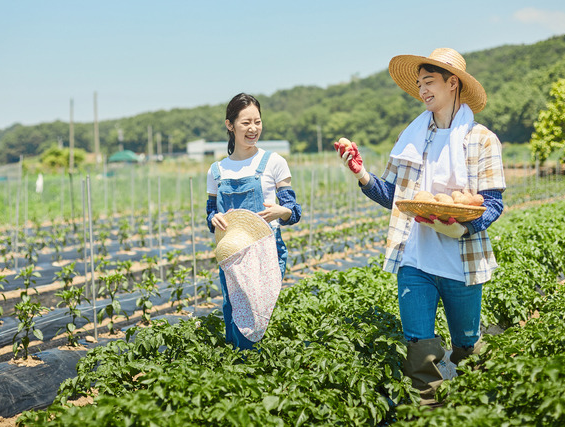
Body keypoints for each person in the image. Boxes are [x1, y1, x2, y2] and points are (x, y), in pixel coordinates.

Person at [334, 48, 506, 405]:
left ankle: (469, 408)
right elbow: (396, 196)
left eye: (429, 82)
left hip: (461, 259)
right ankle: (428, 410)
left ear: (452, 83)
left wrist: (460, 227)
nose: (422, 90)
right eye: (419, 84)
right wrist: (361, 174)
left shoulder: (482, 139)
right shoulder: (414, 137)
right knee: (419, 346)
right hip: (414, 257)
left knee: (466, 346)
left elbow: (492, 204)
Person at [206, 93, 302, 350]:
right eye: (246, 123)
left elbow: (294, 211)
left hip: (266, 250)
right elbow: (210, 213)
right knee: (234, 312)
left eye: (257, 122)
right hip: (232, 252)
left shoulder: (274, 163)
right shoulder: (217, 170)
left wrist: (280, 211)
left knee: (260, 314)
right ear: (230, 125)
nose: (253, 129)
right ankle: (239, 370)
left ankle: (261, 368)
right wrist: (212, 218)